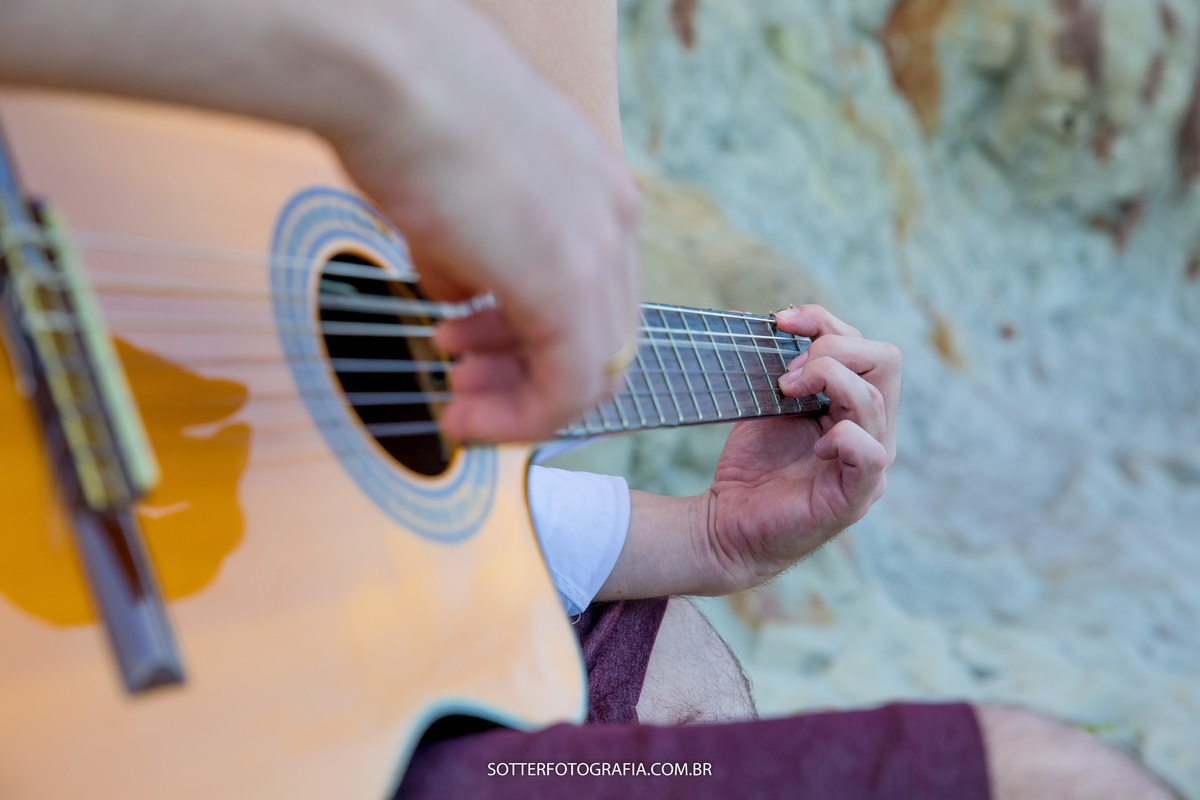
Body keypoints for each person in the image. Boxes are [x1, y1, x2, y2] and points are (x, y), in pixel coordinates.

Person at [0, 0, 1178, 797]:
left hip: (172, 637)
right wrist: (402, 73)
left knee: (678, 684)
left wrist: (698, 536)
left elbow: (355, 401)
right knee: (1041, 777)